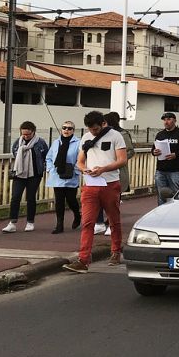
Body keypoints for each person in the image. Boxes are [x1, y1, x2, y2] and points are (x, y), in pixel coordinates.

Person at [63, 111, 128, 273]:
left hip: (110, 184)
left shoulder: (115, 136)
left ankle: (115, 251)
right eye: (90, 129)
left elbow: (122, 160)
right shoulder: (86, 138)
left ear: (103, 124)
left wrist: (103, 169)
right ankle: (83, 259)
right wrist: (84, 169)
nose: (93, 132)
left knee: (114, 220)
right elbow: (80, 161)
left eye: (96, 129)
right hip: (90, 184)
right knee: (87, 222)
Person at [2, 121, 49, 233]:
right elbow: (14, 152)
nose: (26, 136)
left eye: (28, 134)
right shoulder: (18, 142)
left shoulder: (40, 142)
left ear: (33, 132)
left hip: (34, 174)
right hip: (19, 173)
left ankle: (30, 222)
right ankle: (12, 223)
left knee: (31, 197)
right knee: (15, 197)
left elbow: (46, 156)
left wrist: (44, 167)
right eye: (23, 134)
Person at [94, 111, 135, 236]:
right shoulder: (99, 135)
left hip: (117, 171)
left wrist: (117, 159)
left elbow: (130, 151)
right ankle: (99, 223)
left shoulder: (122, 134)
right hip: (101, 171)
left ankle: (111, 223)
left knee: (113, 200)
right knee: (98, 198)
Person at [45, 120, 82, 234]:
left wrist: (75, 170)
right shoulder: (56, 142)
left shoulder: (78, 143)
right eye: (64, 128)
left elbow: (81, 159)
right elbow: (49, 157)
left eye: (69, 128)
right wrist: (50, 169)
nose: (66, 130)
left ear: (73, 131)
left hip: (71, 175)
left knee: (71, 200)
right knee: (59, 200)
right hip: (57, 175)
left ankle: (77, 215)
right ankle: (59, 225)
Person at [152, 112, 179, 205]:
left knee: (175, 194)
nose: (166, 122)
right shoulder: (160, 134)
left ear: (175, 120)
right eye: (164, 120)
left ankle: (176, 211)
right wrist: (154, 152)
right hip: (160, 170)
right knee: (161, 195)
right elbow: (153, 149)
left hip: (175, 171)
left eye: (169, 119)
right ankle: (162, 212)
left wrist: (176, 154)